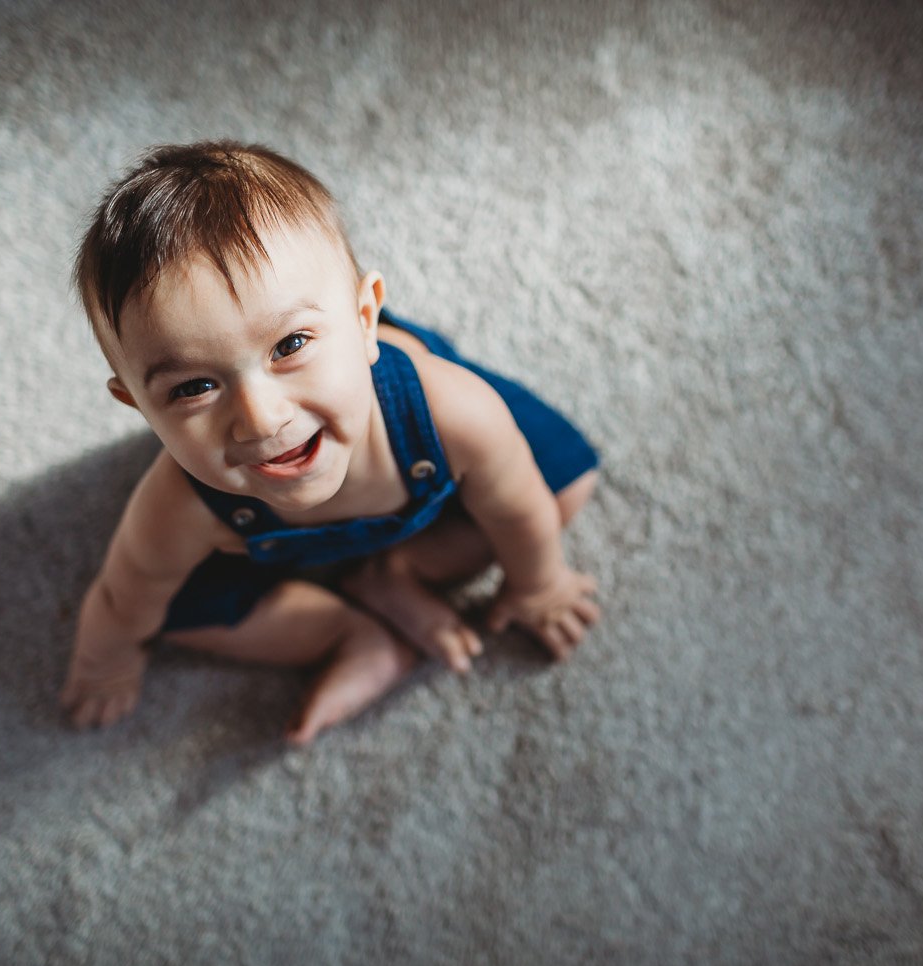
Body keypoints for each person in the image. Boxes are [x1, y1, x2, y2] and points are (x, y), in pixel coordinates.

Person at [59, 140, 601, 744]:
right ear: (138, 405)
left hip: (415, 444)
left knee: (560, 489)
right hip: (270, 538)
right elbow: (124, 596)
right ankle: (349, 633)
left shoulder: (453, 412)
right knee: (172, 613)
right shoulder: (180, 507)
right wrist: (104, 662)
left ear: (365, 319)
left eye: (289, 346)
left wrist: (540, 585)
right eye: (195, 387)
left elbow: (515, 504)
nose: (261, 420)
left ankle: (397, 572)